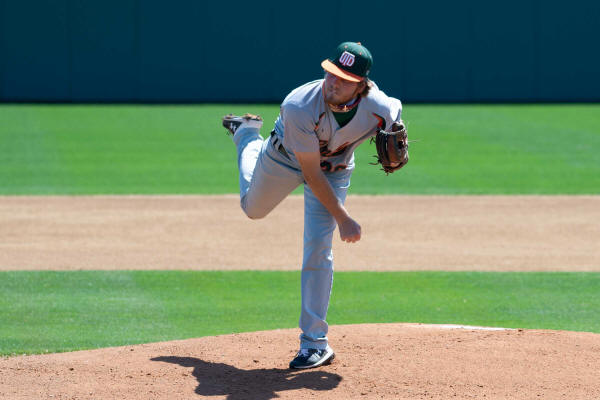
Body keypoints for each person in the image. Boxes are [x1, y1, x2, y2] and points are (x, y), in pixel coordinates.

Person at [222, 42, 405, 369]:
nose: (334, 82)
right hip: (284, 158)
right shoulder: (299, 105)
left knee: (318, 247)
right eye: (331, 73)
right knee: (253, 209)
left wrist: (394, 130)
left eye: (345, 79)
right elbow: (311, 173)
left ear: (361, 86)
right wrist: (344, 218)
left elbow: (395, 108)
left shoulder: (378, 105)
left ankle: (314, 344)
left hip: (335, 170)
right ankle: (247, 136)